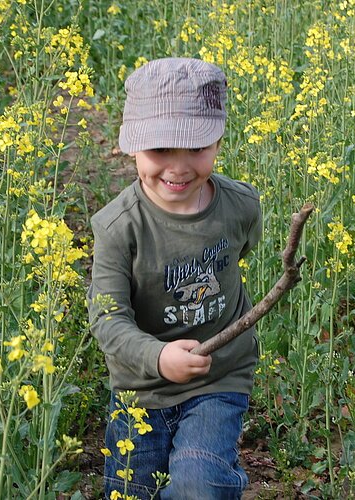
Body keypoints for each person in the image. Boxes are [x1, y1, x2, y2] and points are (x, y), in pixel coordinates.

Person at [87, 57, 262, 500]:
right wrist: (159, 356)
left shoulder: (240, 205)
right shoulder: (116, 227)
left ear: (219, 141)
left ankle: (216, 471)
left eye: (196, 148)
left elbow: (239, 255)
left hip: (217, 379)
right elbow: (107, 322)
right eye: (161, 149)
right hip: (139, 388)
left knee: (197, 487)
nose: (179, 167)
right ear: (132, 146)